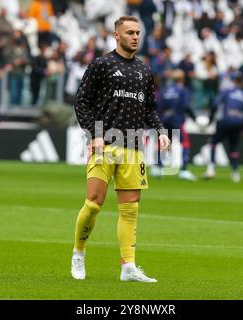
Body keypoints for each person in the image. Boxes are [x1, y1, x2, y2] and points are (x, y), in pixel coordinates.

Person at [72, 16, 170, 283]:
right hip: (105, 143)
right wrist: (94, 135)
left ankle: (128, 267)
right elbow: (82, 102)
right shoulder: (102, 65)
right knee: (94, 204)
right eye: (130, 32)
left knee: (130, 210)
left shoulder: (145, 71)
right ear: (117, 36)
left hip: (134, 146)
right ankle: (78, 253)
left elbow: (150, 108)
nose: (135, 37)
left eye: (138, 32)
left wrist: (161, 131)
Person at [204, 71, 243, 183]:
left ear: (233, 81)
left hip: (226, 121)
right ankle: (235, 173)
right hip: (238, 123)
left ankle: (211, 168)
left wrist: (210, 119)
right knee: (234, 147)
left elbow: (216, 103)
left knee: (213, 142)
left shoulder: (227, 91)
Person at [154, 69, 198, 181]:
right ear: (183, 79)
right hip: (177, 120)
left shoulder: (166, 90)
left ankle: (159, 167)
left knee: (164, 142)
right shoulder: (183, 90)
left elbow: (159, 106)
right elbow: (186, 106)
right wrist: (195, 118)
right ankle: (184, 170)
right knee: (185, 142)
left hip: (165, 119)